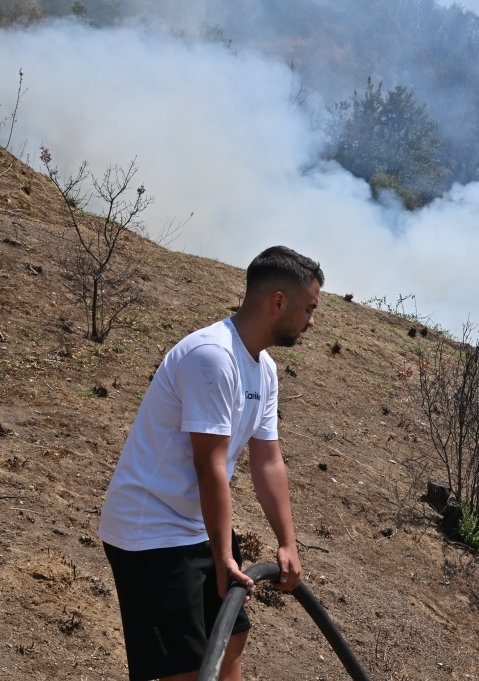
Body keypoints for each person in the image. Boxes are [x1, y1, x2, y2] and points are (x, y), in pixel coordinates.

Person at [98, 246, 323, 681]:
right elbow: (210, 465)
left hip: (199, 525)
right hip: (151, 534)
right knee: (184, 670)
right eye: (309, 308)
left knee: (231, 639)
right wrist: (223, 555)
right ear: (279, 301)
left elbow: (268, 462)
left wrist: (287, 542)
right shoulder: (212, 357)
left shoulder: (265, 368)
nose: (312, 321)